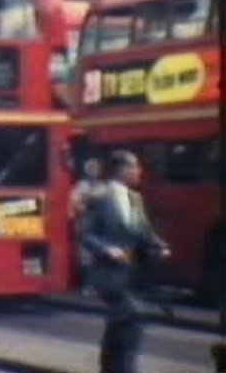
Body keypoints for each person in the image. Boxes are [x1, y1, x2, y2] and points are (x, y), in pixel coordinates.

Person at [80, 150, 171, 373]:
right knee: (131, 322)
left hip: (134, 273)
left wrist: (160, 245)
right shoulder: (99, 196)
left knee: (122, 327)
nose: (140, 171)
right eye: (135, 167)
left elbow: (144, 230)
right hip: (110, 274)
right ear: (122, 170)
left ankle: (111, 367)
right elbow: (84, 233)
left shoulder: (136, 199)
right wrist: (106, 249)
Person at [69, 158, 107, 295]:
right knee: (86, 257)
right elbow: (73, 204)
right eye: (91, 169)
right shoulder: (80, 186)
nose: (94, 171)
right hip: (85, 224)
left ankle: (98, 285)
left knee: (99, 256)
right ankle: (86, 286)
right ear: (87, 171)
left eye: (96, 169)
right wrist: (83, 206)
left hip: (100, 226)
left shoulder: (104, 187)